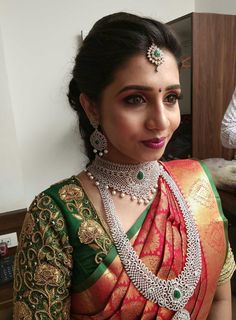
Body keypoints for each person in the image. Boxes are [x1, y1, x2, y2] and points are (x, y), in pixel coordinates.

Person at [13, 12, 235, 320]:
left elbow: (221, 300)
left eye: (171, 97)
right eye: (135, 100)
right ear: (92, 107)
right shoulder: (54, 216)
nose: (162, 121)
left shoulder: (197, 184)